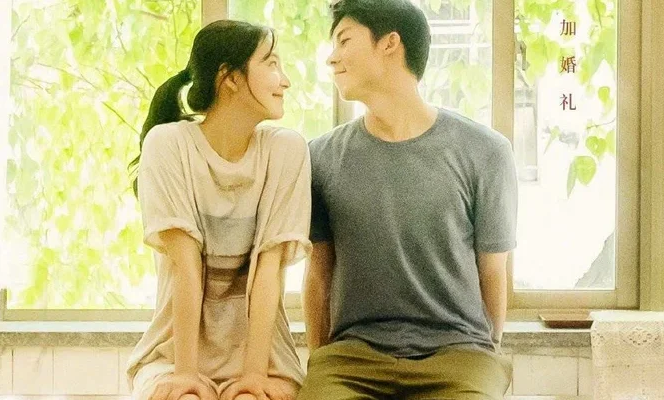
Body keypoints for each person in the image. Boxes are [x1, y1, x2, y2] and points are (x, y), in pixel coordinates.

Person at [299, 0, 518, 398]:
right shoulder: (320, 157)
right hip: (352, 358)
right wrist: (320, 359)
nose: (332, 58)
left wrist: (487, 354)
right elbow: (318, 274)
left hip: (459, 354)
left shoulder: (486, 151)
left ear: (390, 43)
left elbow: (493, 271)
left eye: (344, 41)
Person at [125, 19, 311, 400]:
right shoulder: (168, 145)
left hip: (265, 358)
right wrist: (186, 375)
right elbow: (185, 265)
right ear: (230, 78)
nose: (285, 80)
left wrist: (254, 376)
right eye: (271, 63)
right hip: (173, 355)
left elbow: (269, 269)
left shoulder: (287, 150)